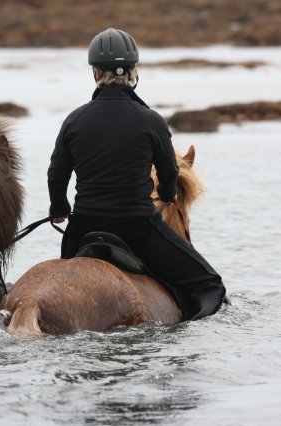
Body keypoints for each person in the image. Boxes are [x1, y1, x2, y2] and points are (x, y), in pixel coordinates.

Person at [47, 28, 226, 321]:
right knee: (209, 285)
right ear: (133, 72)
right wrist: (168, 195)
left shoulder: (74, 120)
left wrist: (59, 209)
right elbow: (168, 171)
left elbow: (57, 173)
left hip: (82, 229)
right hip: (137, 229)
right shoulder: (151, 120)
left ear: (95, 72)